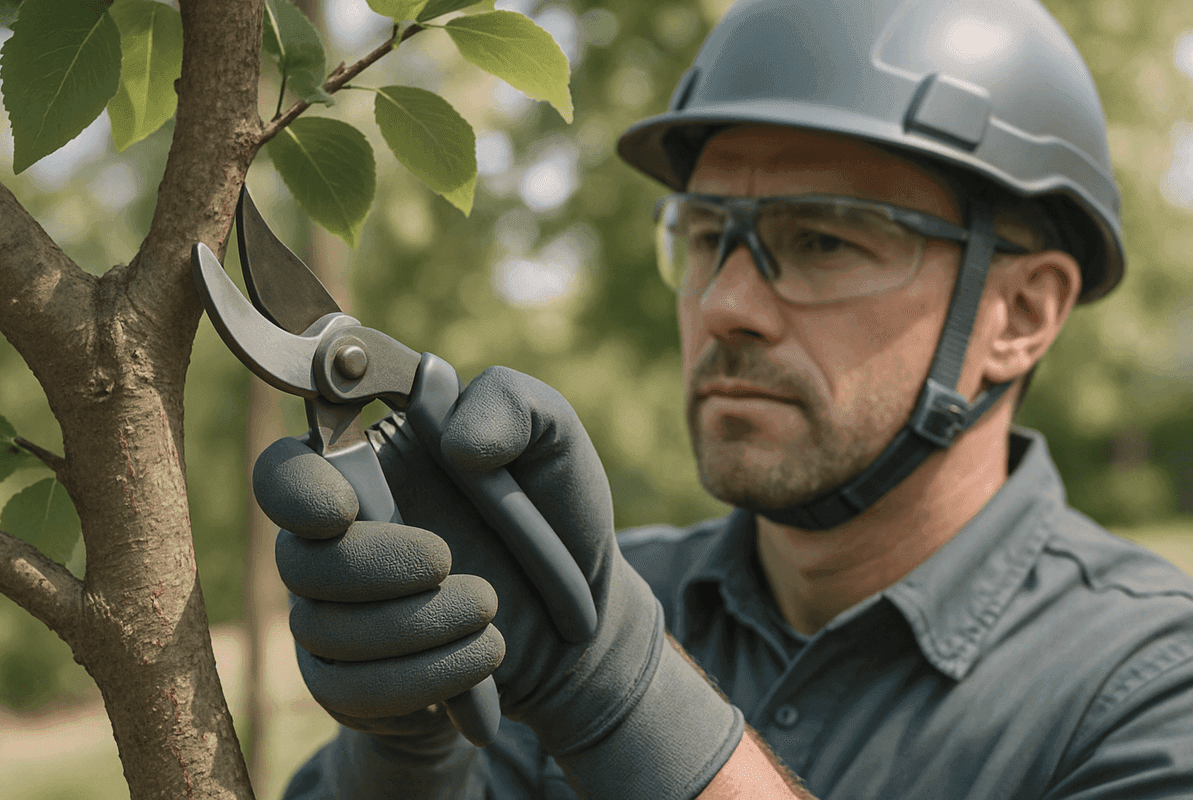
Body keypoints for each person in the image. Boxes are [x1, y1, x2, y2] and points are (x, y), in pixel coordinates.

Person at [263, 0, 1193, 797]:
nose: (725, 304)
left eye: (824, 240)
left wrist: (623, 701)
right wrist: (404, 754)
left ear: (1021, 314)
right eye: (706, 235)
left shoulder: (1151, 686)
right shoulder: (585, 602)